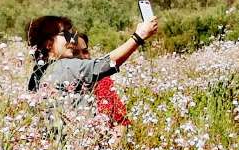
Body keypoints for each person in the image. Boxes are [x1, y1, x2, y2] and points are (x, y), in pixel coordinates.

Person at [26, 16, 157, 104]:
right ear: (49, 43)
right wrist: (139, 37)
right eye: (65, 34)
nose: (72, 39)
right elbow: (104, 65)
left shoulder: (38, 73)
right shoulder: (64, 67)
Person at [76, 33, 131, 128]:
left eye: (85, 51)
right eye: (75, 53)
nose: (83, 57)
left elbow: (121, 122)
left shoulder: (102, 81)